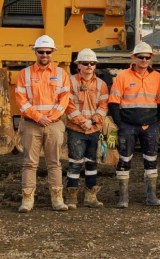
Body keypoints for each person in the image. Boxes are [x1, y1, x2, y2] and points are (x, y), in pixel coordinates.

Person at [13, 33, 72, 212]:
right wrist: (39, 117)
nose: (44, 55)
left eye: (48, 52)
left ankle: (57, 199)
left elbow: (64, 99)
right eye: (41, 52)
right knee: (30, 163)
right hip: (31, 123)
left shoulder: (61, 74)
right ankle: (27, 200)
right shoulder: (25, 74)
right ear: (35, 53)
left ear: (53, 53)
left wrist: (51, 117)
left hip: (53, 124)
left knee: (54, 162)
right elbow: (21, 100)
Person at [107, 40, 160, 208]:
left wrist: (158, 124)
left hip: (151, 125)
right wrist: (120, 125)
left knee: (151, 160)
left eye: (147, 57)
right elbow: (113, 102)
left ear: (151, 58)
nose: (144, 60)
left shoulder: (157, 77)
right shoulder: (122, 77)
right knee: (124, 159)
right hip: (128, 125)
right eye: (141, 57)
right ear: (134, 58)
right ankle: (123, 198)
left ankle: (151, 197)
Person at [64, 48, 109, 208]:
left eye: (92, 63)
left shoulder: (101, 84)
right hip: (76, 129)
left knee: (91, 163)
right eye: (85, 63)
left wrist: (92, 121)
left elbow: (103, 106)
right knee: (75, 163)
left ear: (95, 65)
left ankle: (90, 197)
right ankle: (72, 198)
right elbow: (68, 105)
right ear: (79, 66)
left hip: (93, 129)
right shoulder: (71, 82)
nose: (89, 66)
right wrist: (82, 121)